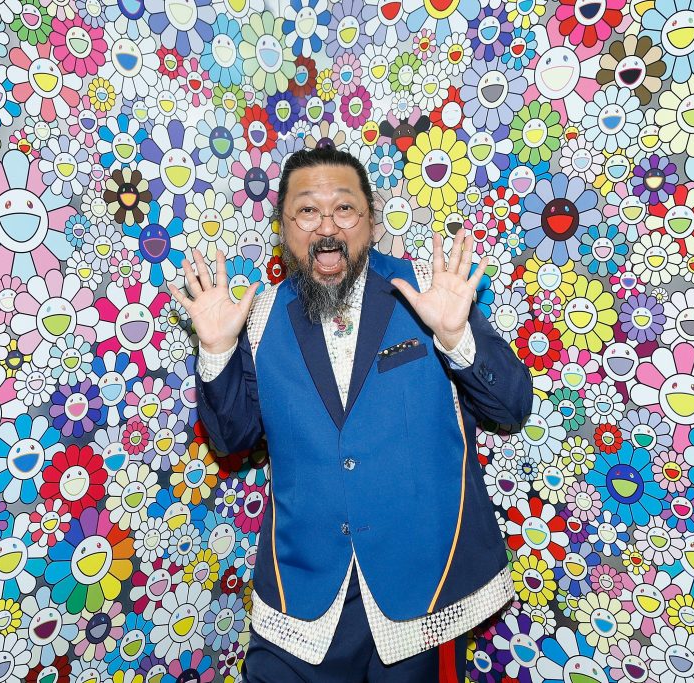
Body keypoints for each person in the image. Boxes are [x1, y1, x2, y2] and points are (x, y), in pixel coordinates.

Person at [169, 146, 534, 682]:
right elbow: (231, 440)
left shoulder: (429, 293)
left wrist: (456, 335)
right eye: (307, 211)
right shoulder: (259, 315)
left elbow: (511, 404)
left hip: (423, 590)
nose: (327, 227)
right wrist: (218, 351)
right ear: (283, 227)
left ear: (370, 220)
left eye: (344, 208)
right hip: (302, 593)